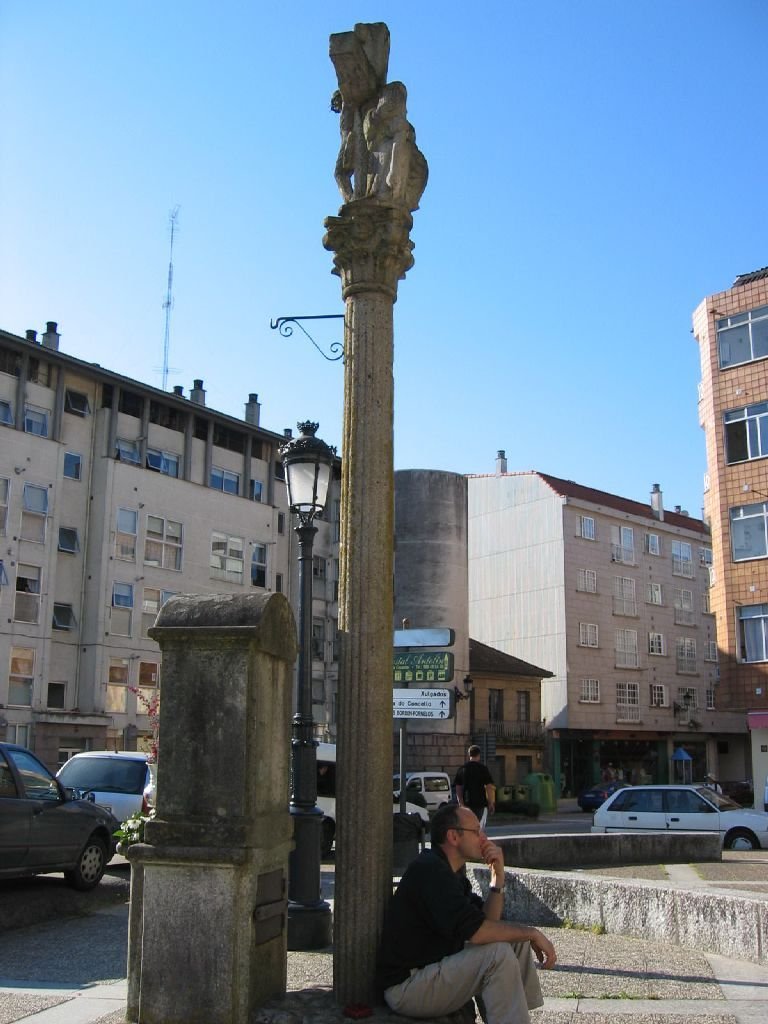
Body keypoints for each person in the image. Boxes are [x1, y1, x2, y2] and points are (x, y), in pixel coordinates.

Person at [377, 804, 556, 1024]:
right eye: (476, 831)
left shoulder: (452, 872)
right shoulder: (430, 871)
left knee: (513, 942)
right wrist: (532, 932)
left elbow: (488, 923)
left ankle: (515, 1017)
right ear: (453, 836)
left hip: (432, 972)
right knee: (498, 953)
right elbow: (478, 933)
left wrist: (497, 879)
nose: (484, 838)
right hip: (408, 987)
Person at [455, 745, 496, 828]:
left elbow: (458, 787)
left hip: (466, 803)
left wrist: (460, 802)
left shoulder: (462, 769)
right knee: (478, 827)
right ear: (479, 755)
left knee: (468, 827)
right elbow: (489, 786)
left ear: (469, 755)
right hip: (480, 803)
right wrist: (491, 803)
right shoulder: (483, 769)